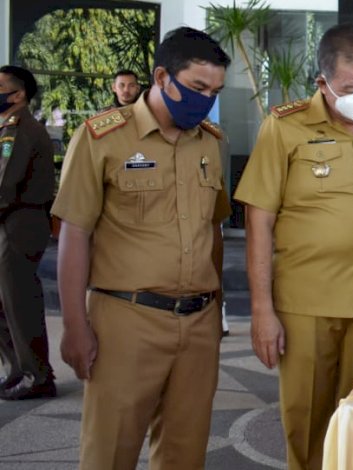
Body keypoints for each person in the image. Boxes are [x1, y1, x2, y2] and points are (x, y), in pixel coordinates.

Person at [234, 23, 353, 470]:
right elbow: (258, 222)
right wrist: (262, 311)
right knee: (307, 417)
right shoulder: (284, 129)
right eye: (352, 87)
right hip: (307, 304)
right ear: (323, 82)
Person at [52, 27, 230, 468]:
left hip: (199, 324)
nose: (205, 99)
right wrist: (75, 325)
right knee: (110, 452)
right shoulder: (102, 138)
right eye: (197, 87)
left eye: (214, 91)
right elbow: (75, 235)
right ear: (162, 76)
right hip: (127, 321)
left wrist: (217, 311)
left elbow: (214, 230)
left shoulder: (210, 141)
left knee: (184, 454)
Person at [0, 65, 56, 400]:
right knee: (5, 302)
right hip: (10, 221)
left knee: (19, 302)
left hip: (21, 222)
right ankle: (18, 370)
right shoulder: (7, 127)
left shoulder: (19, 129)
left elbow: (5, 183)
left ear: (18, 95)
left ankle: (37, 376)